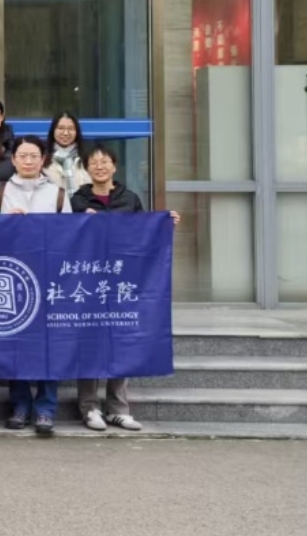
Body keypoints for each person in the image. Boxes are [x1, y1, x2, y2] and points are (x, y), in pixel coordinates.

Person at [71, 143, 179, 433]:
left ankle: (118, 409)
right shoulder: (77, 200)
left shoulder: (129, 199)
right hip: (89, 280)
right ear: (86, 168)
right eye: (93, 162)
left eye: (105, 161)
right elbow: (66, 238)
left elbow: (145, 232)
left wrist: (165, 223)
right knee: (90, 341)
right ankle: (89, 407)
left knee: (121, 341)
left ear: (114, 166)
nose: (99, 166)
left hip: (123, 280)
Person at [0, 135, 65, 436]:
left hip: (48, 277)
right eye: (22, 155)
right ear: (13, 159)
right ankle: (20, 404)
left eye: (34, 155)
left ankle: (46, 408)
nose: (28, 160)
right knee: (17, 343)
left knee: (49, 344)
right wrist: (6, 223)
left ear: (43, 159)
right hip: (13, 278)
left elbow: (69, 235)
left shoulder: (58, 193)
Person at [44, 111, 92, 199]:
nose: (66, 133)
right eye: (61, 128)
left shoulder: (86, 159)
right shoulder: (42, 159)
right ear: (53, 131)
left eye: (71, 128)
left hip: (82, 207)